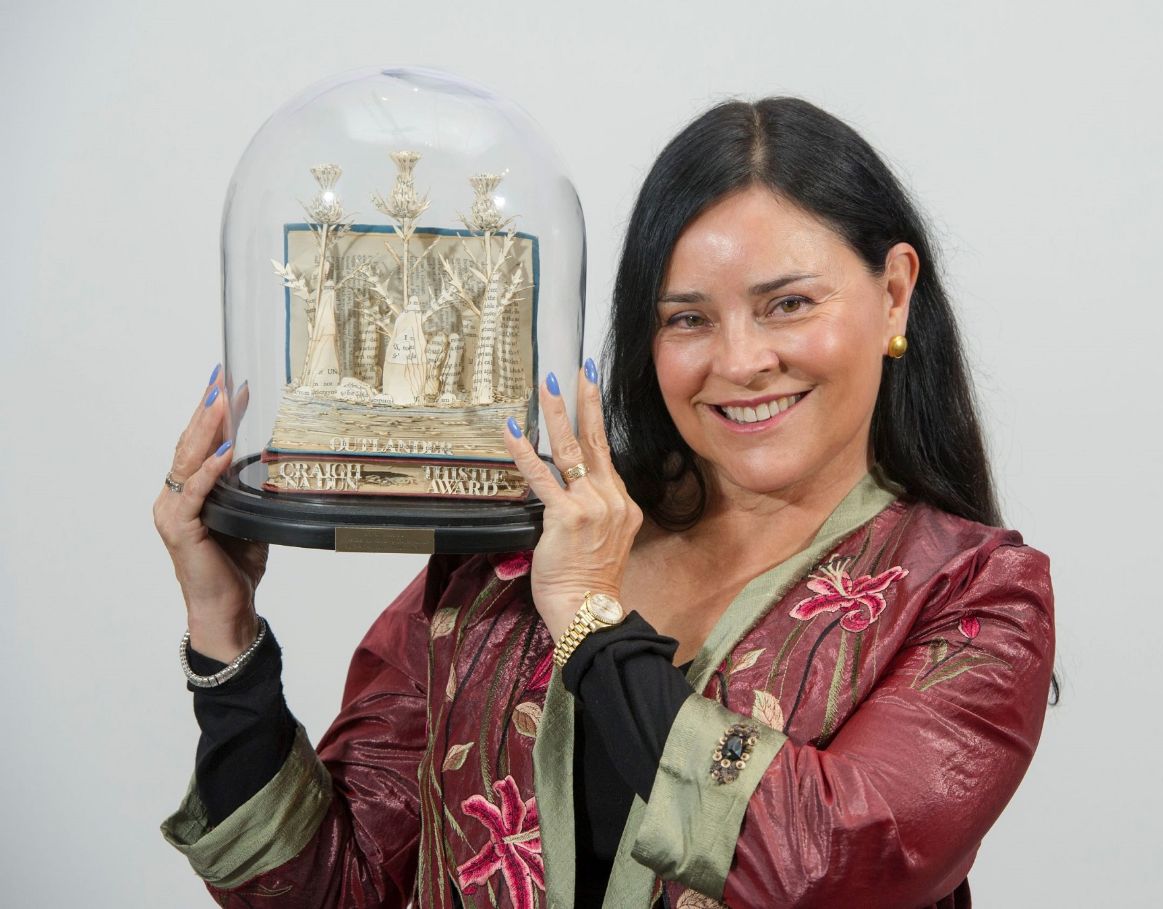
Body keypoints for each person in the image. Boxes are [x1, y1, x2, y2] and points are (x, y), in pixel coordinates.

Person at [154, 97, 1056, 909]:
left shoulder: (976, 593)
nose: (739, 362)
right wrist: (225, 632)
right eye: (687, 318)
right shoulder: (519, 544)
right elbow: (327, 889)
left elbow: (830, 862)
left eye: (787, 304)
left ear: (894, 291)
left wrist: (590, 618)